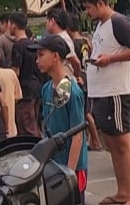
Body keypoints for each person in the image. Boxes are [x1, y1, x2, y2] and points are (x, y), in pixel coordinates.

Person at [78, 0, 130, 205]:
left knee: (123, 144)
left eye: (88, 7)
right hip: (103, 92)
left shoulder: (118, 21)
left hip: (115, 93)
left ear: (101, 3)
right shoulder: (101, 25)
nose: (87, 12)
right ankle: (123, 191)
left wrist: (110, 60)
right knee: (113, 145)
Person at [28, 35, 88, 202]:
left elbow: (78, 135)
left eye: (41, 55)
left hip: (72, 166)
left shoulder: (73, 92)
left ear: (55, 56)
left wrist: (70, 172)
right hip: (53, 163)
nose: (37, 60)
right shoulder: (47, 88)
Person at [67, 13, 102, 151]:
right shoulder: (86, 40)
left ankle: (96, 140)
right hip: (88, 75)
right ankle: (91, 139)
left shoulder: (73, 44)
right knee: (86, 110)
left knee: (85, 112)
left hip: (80, 77)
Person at [9, 12, 42, 137]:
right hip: (36, 88)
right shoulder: (33, 43)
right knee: (35, 122)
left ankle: (36, 152)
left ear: (13, 25)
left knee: (26, 125)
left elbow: (16, 71)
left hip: (24, 90)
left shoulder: (18, 46)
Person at [45, 8, 81, 79]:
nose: (46, 25)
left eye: (47, 22)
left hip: (66, 79)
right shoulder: (59, 37)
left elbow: (76, 62)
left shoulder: (63, 38)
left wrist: (77, 76)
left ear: (52, 21)